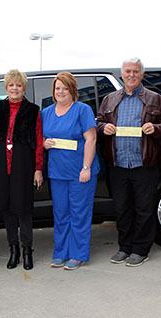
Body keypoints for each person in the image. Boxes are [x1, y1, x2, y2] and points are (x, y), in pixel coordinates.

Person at [97, 58, 161, 267]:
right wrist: (104, 129)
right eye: (128, 71)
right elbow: (99, 121)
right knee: (122, 209)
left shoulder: (155, 99)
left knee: (144, 209)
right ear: (122, 74)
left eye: (135, 71)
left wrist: (155, 129)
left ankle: (140, 249)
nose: (131, 75)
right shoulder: (110, 99)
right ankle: (124, 247)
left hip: (144, 164)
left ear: (142, 74)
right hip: (118, 163)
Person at [41, 72, 100, 270]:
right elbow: (40, 139)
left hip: (79, 172)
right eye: (58, 88)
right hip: (57, 172)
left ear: (72, 90)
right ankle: (61, 253)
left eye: (65, 88)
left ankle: (78, 254)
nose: (61, 92)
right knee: (61, 214)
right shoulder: (46, 113)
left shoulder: (82, 110)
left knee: (79, 214)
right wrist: (45, 144)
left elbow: (91, 139)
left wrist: (86, 167)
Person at [0, 70, 44, 270]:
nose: (15, 89)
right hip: (1, 166)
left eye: (19, 85)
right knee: (7, 210)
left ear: (24, 88)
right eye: (11, 85)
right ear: (6, 87)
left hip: (23, 165)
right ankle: (13, 250)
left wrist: (38, 168)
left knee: (24, 210)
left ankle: (27, 250)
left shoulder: (32, 110)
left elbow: (39, 141)